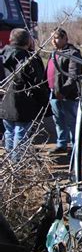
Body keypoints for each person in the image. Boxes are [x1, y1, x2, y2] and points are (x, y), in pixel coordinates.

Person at [0, 28, 48, 157]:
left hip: (4, 102)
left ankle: (10, 161)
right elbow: (38, 84)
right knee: (21, 132)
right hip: (24, 103)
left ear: (11, 40)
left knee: (9, 131)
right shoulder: (29, 59)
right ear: (27, 41)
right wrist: (45, 104)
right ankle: (16, 163)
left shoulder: (2, 55)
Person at [45, 28, 82, 154]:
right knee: (58, 120)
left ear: (65, 38)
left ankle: (74, 146)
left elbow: (74, 76)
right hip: (53, 92)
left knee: (71, 121)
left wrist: (63, 92)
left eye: (56, 38)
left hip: (67, 95)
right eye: (52, 38)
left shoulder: (72, 53)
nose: (53, 41)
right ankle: (61, 144)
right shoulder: (54, 53)